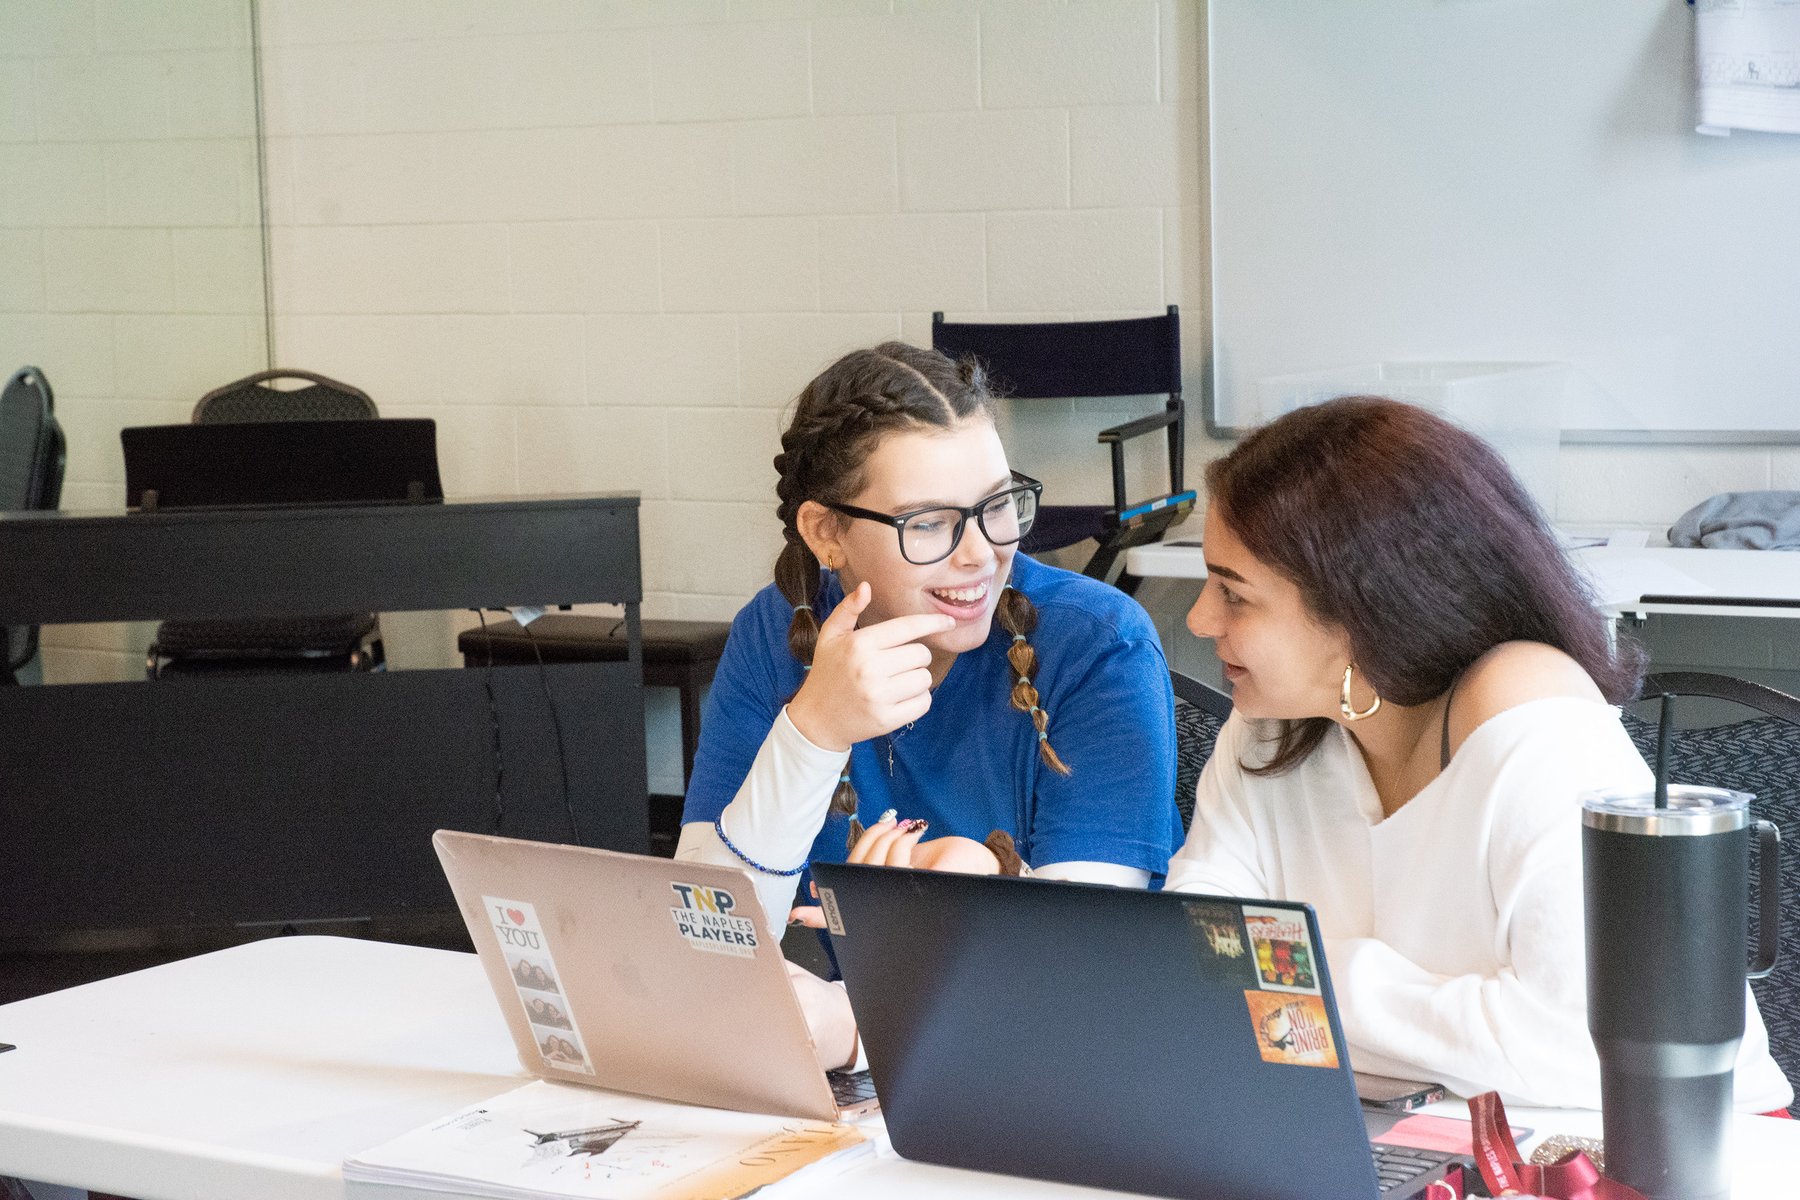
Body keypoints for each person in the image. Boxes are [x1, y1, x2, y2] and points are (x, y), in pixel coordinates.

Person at [1166, 395, 1793, 1113]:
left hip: (1668, 1145)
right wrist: (1433, 1029)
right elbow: (1192, 971)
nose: (1199, 618)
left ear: (1359, 607)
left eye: (1234, 593)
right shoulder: (1275, 719)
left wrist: (1311, 985)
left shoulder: (1525, 703)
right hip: (1402, 1133)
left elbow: (1586, 1047)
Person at [676, 341, 1182, 1067]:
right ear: (826, 533)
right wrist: (812, 732)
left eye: (998, 506)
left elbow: (1081, 966)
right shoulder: (774, 632)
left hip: (1062, 1064)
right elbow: (705, 937)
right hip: (879, 1077)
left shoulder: (1100, 643)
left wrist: (855, 1026)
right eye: (929, 523)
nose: (980, 553)